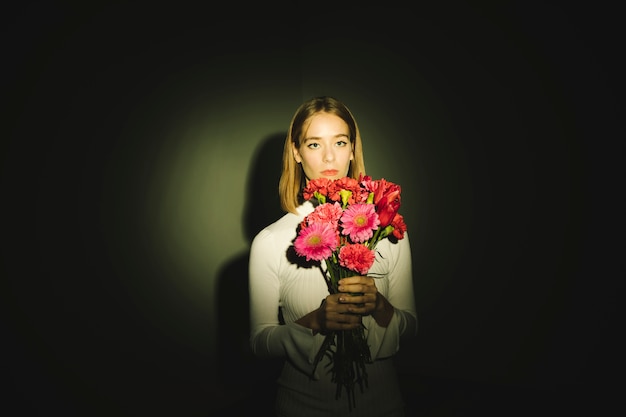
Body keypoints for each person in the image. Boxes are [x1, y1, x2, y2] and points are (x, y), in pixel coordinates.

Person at [248, 96, 418, 417]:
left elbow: (410, 326)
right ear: (296, 153)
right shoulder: (269, 241)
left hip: (384, 405)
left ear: (353, 149)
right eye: (314, 144)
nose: (329, 156)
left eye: (340, 142)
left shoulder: (389, 230)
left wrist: (380, 306)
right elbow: (260, 342)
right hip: (301, 406)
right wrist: (315, 322)